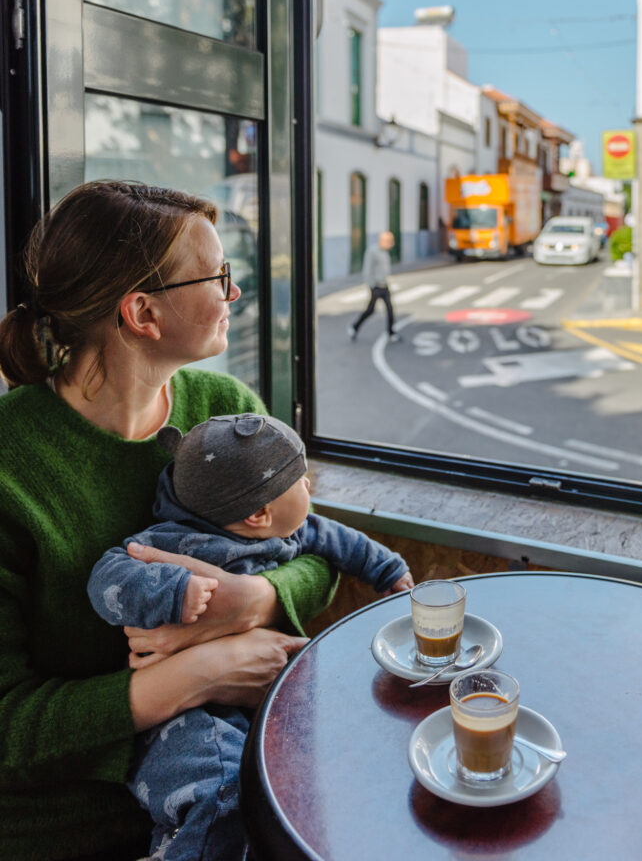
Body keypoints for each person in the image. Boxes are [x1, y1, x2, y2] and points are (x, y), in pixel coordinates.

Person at [0, 181, 338, 861]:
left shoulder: (224, 408)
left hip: (238, 785)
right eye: (218, 276)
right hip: (75, 830)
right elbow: (10, 730)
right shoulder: (11, 465)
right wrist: (202, 672)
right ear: (144, 314)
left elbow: (315, 547)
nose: (233, 295)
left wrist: (258, 598)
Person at [87, 413, 413, 861]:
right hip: (179, 721)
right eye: (303, 483)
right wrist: (174, 592)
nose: (310, 491)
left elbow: (337, 540)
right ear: (258, 513)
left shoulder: (289, 531)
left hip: (257, 702)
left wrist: (387, 569)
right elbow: (107, 577)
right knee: (222, 792)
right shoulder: (173, 543)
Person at [348, 230, 401, 342]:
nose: (392, 244)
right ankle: (354, 327)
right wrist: (372, 286)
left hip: (384, 285)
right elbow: (367, 270)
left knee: (390, 309)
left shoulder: (385, 252)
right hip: (376, 286)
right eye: (389, 241)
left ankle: (391, 332)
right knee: (370, 310)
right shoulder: (373, 252)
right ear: (382, 241)